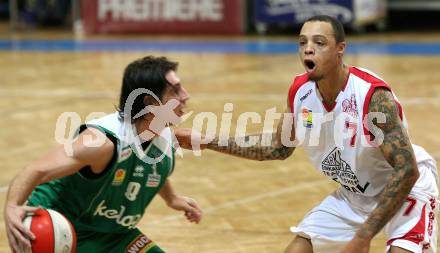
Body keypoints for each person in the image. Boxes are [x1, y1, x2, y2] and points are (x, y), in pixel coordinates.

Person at [176, 15, 438, 253]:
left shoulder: (372, 96)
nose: (308, 48)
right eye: (303, 42)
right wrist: (208, 141)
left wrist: (363, 235)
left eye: (319, 42)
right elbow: (276, 148)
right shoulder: (300, 91)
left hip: (406, 189)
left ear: (340, 49)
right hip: (356, 195)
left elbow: (407, 171)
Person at [4, 56, 202, 253]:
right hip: (65, 227)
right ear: (150, 103)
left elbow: (146, 167)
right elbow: (36, 169)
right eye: (175, 90)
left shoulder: (160, 138)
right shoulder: (101, 142)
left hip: (114, 234)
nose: (185, 95)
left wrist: (172, 198)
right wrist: (12, 206)